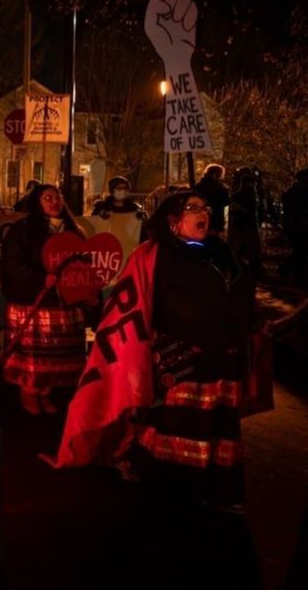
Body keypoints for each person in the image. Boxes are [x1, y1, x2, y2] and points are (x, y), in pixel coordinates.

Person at [53, 191, 261, 587]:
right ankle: (172, 493)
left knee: (218, 429)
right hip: (181, 362)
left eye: (206, 208)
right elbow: (133, 307)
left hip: (223, 363)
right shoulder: (153, 255)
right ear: (172, 220)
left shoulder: (220, 252)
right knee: (179, 429)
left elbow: (239, 292)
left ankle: (216, 489)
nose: (204, 214)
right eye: (194, 209)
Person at [0, 184, 88, 414]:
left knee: (56, 356)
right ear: (37, 202)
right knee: (34, 356)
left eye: (57, 196)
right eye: (47, 197)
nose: (54, 201)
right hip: (34, 302)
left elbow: (85, 264)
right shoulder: (22, 230)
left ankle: (45, 392)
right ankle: (29, 392)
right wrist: (40, 278)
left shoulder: (74, 231)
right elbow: (14, 265)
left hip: (63, 303)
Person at [280, 168, 308, 286]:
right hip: (296, 227)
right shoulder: (292, 194)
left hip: (300, 226)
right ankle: (295, 275)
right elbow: (289, 212)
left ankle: (287, 270)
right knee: (300, 251)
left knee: (301, 252)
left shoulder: (294, 192)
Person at [194, 164, 230, 236]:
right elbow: (225, 201)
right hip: (215, 215)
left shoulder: (200, 185)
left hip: (205, 214)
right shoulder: (219, 186)